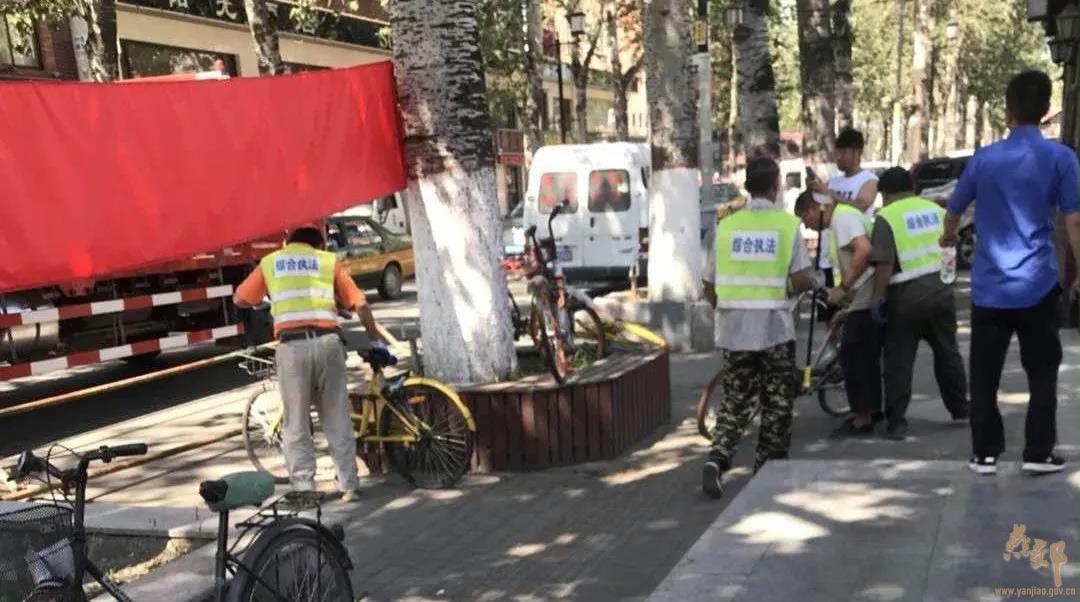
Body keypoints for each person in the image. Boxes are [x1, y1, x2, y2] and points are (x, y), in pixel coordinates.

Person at [942, 70, 1080, 476]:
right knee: (1042, 372)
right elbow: (1073, 219)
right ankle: (1038, 453)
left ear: (1007, 112)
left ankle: (984, 454)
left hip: (989, 286)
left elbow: (954, 208)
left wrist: (947, 238)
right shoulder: (1061, 158)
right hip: (1038, 283)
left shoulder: (983, 159)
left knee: (984, 373)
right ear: (1046, 111)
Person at [234, 223, 388, 500]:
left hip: (292, 349)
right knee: (337, 417)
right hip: (329, 344)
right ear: (318, 244)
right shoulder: (327, 261)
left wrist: (266, 298)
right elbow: (361, 304)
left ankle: (304, 487)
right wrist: (375, 340)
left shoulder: (271, 262)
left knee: (296, 422)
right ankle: (349, 485)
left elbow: (240, 299)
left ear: (288, 242)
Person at [701, 157, 815, 498]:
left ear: (748, 186)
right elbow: (800, 278)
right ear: (775, 185)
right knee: (777, 402)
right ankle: (768, 471)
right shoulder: (787, 226)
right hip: (774, 329)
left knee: (735, 399)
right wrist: (798, 286)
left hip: (733, 329)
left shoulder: (727, 227)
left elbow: (709, 283)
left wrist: (725, 309)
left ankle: (717, 458)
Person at [870, 168, 969, 440]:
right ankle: (960, 409)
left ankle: (896, 423)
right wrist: (947, 280)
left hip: (905, 299)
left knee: (899, 361)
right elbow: (949, 247)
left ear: (885, 194)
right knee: (948, 352)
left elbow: (884, 263)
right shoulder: (935, 210)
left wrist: (878, 298)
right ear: (911, 187)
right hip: (940, 293)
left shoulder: (887, 217)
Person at [794, 190, 881, 438]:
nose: (807, 227)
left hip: (864, 299)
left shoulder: (842, 219)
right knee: (861, 358)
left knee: (854, 359)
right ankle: (870, 410)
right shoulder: (842, 219)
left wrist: (843, 288)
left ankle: (862, 418)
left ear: (814, 208)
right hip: (860, 298)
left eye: (805, 219)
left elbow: (863, 250)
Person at [810, 128, 880, 217]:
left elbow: (860, 207)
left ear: (858, 153)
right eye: (837, 152)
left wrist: (830, 195)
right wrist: (813, 191)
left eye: (843, 152)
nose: (838, 157)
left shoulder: (869, 180)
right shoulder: (832, 182)